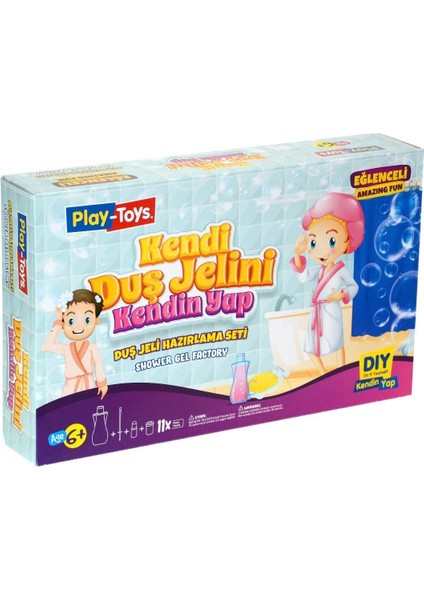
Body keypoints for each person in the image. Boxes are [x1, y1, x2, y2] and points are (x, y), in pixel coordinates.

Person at [290, 192, 365, 375]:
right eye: (313, 243)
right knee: (311, 347)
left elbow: (354, 286)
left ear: (347, 240)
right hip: (317, 312)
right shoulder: (319, 271)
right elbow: (304, 277)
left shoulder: (340, 270)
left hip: (331, 310)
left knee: (337, 342)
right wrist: (298, 254)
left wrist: (342, 294)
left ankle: (341, 371)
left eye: (332, 241)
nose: (321, 251)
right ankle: (323, 375)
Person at [42, 289, 108, 398]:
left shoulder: (92, 348)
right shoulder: (67, 348)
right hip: (70, 388)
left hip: (87, 385)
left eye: (87, 320)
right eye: (71, 321)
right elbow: (46, 346)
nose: (78, 326)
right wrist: (58, 322)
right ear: (64, 322)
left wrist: (102, 384)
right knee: (67, 408)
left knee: (87, 407)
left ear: (96, 321)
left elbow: (99, 366)